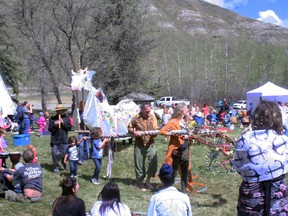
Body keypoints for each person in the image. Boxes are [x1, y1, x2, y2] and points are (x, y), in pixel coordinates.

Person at [232, 100, 288, 215]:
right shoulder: (283, 140)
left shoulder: (244, 139)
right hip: (277, 193)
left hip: (251, 195)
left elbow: (237, 166)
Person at [159, 103, 191, 193]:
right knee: (173, 170)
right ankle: (167, 189)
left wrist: (188, 136)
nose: (187, 110)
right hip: (176, 150)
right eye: (186, 109)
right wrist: (176, 133)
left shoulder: (185, 121)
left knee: (184, 171)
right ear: (181, 110)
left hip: (185, 149)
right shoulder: (173, 121)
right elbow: (162, 131)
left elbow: (188, 133)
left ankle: (184, 191)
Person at [128, 103, 158, 191]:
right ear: (142, 110)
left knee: (153, 163)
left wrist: (155, 132)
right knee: (139, 165)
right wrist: (133, 132)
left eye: (150, 111)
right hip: (139, 145)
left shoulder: (153, 117)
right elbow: (129, 127)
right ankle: (140, 182)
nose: (148, 113)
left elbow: (156, 129)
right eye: (147, 111)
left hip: (150, 144)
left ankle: (148, 181)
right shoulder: (135, 118)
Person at [48, 104, 72, 173]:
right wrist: (55, 125)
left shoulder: (66, 118)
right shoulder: (52, 119)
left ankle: (63, 162)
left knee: (66, 154)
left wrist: (63, 123)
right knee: (54, 154)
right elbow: (50, 129)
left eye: (61, 111)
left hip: (64, 139)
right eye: (58, 111)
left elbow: (69, 128)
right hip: (55, 140)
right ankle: (56, 167)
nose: (60, 112)